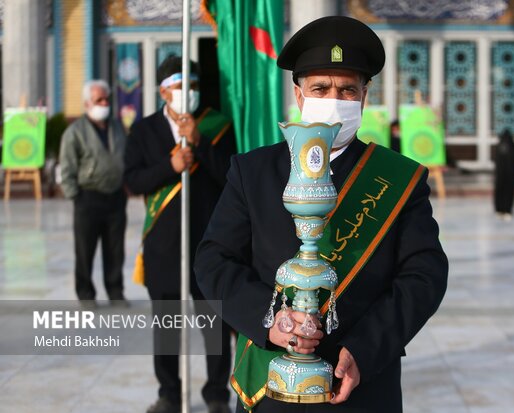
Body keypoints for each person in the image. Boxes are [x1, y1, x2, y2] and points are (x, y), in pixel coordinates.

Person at [194, 16, 449, 413]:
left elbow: (425, 274)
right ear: (299, 96)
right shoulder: (252, 171)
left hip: (362, 384)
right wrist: (269, 321)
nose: (335, 99)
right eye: (321, 88)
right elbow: (213, 259)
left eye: (348, 89)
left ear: (365, 97)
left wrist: (365, 349)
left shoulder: (399, 178)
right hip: (271, 380)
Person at [124, 56, 236, 413]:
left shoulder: (216, 126)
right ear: (162, 90)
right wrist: (169, 167)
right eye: (178, 86)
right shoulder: (143, 130)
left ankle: (217, 393)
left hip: (208, 242)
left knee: (214, 324)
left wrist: (200, 143)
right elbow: (132, 180)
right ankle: (169, 394)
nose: (186, 93)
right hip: (164, 244)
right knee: (168, 325)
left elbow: (232, 178)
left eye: (192, 86)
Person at [59, 79, 128, 308]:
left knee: (115, 249)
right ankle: (86, 293)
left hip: (116, 197)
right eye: (99, 100)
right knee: (85, 249)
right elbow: (67, 168)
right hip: (88, 198)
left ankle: (115, 291)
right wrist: (76, 197)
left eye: (107, 98)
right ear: (87, 103)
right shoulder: (75, 132)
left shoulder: (117, 127)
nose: (104, 103)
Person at [494, 129, 514, 220]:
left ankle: (499, 209)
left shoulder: (499, 148)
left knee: (500, 192)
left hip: (500, 177)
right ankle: (507, 210)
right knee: (508, 194)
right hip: (510, 177)